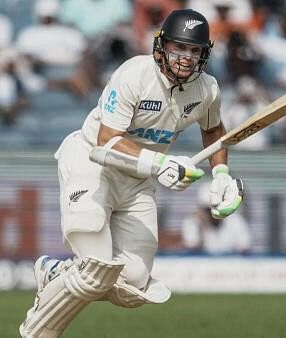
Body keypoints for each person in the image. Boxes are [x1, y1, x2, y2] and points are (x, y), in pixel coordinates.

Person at [19, 9, 243, 338]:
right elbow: (106, 141)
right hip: (92, 166)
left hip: (137, 182)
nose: (186, 58)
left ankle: (58, 271)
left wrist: (221, 173)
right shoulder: (134, 74)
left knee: (134, 283)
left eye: (195, 51)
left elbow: (214, 130)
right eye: (179, 48)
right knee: (95, 270)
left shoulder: (207, 89)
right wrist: (161, 163)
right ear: (161, 47)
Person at [181, 182, 251, 254]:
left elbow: (244, 249)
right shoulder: (193, 222)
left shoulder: (236, 221)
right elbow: (192, 251)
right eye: (208, 209)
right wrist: (203, 229)